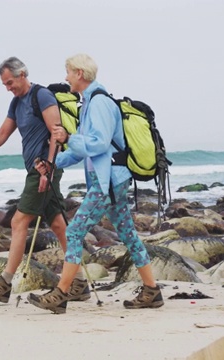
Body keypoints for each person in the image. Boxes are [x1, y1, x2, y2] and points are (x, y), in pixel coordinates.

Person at [27, 54, 164, 314]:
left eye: (67, 72)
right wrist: (54, 163)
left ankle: (62, 293)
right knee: (127, 234)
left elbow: (99, 144)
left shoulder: (99, 102)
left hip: (107, 182)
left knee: (74, 232)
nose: (65, 77)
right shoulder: (90, 102)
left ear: (79, 73)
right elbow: (84, 148)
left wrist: (68, 136)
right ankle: (152, 290)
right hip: (111, 180)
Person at [0, 56, 91, 304]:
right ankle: (79, 282)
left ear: (22, 74)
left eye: (10, 82)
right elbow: (3, 133)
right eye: (4, 84)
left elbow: (56, 133)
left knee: (18, 221)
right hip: (37, 171)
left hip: (43, 170)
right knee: (58, 225)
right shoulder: (16, 103)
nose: (8, 87)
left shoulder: (42, 96)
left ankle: (4, 283)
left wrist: (47, 168)